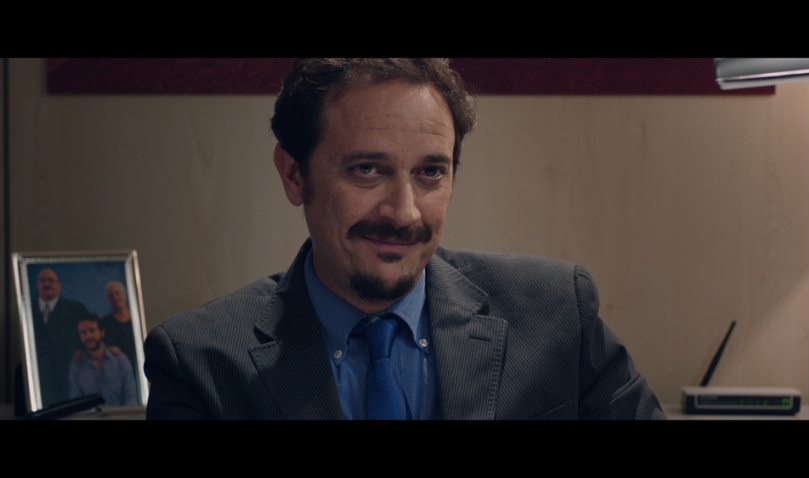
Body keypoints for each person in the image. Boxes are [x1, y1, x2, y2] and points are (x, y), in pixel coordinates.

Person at [143, 58, 666, 420]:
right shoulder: (200, 361)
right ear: (294, 175)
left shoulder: (556, 312)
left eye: (430, 172)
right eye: (367, 170)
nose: (404, 212)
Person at [30, 267, 97, 407]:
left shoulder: (76, 309)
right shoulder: (27, 309)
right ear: (37, 285)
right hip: (36, 379)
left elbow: (91, 334)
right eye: (43, 280)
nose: (47, 284)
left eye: (51, 280)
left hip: (67, 378)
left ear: (59, 286)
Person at [69, 315, 139, 406]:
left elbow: (130, 397)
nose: (88, 336)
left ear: (102, 332)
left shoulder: (120, 361)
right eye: (83, 332)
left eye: (92, 330)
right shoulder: (77, 366)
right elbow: (75, 402)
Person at [100, 280, 139, 376]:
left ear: (125, 295)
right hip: (117, 371)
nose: (115, 297)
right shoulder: (105, 322)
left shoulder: (138, 319)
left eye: (117, 293)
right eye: (111, 295)